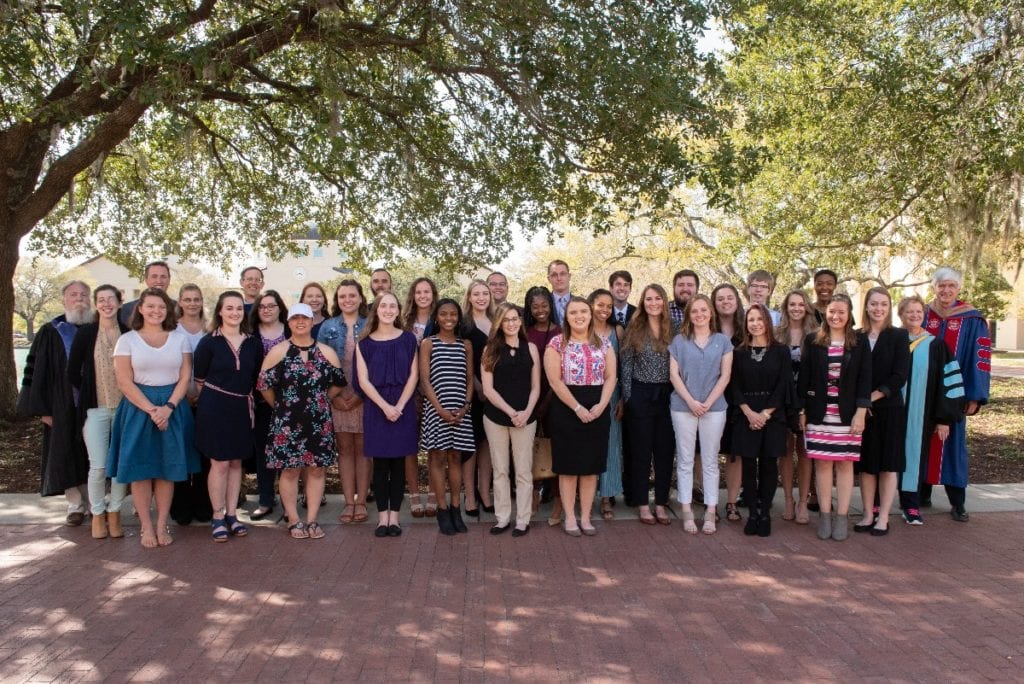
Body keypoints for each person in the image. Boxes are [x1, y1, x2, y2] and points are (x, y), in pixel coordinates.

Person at [107, 288, 200, 548]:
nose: (156, 311)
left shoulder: (178, 339)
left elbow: (185, 377)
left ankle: (162, 525)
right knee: (141, 471)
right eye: (150, 306)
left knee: (166, 470)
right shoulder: (127, 340)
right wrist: (151, 410)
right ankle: (145, 528)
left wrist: (168, 407)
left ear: (168, 310)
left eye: (161, 307)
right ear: (140, 308)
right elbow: (124, 381)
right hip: (139, 408)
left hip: (173, 407)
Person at [257, 303, 345, 539]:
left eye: (304, 318)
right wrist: (280, 405)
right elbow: (264, 385)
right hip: (287, 422)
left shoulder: (326, 352)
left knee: (316, 470)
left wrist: (323, 399)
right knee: (290, 471)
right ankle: (294, 519)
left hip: (319, 421)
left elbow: (338, 381)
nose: (300, 322)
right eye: (295, 318)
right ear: (289, 322)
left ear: (311, 321)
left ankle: (312, 519)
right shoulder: (278, 351)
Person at [799, 293, 871, 542]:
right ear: (825, 314)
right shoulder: (813, 341)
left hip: (848, 415)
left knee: (844, 463)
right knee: (823, 463)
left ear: (849, 314)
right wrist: (802, 411)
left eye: (841, 312)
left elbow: (865, 380)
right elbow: (804, 378)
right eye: (832, 312)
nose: (836, 316)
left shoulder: (859, 342)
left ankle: (842, 517)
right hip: (819, 412)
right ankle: (825, 516)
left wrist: (861, 413)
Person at [18, 280, 91, 525]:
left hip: (93, 404)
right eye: (73, 295)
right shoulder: (51, 331)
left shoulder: (99, 327)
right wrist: (42, 409)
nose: (79, 298)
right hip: (61, 404)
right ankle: (74, 505)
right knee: (63, 452)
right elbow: (36, 371)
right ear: (64, 300)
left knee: (91, 454)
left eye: (83, 294)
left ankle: (93, 503)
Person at [194, 291, 264, 542]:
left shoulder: (253, 343)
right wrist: (215, 402)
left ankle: (233, 515)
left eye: (238, 308)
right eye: (229, 308)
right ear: (220, 311)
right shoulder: (208, 342)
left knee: (236, 463)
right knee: (220, 463)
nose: (235, 312)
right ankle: (217, 515)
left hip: (241, 407)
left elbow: (255, 376)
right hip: (214, 406)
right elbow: (199, 379)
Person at [543, 297, 616, 536]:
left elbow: (610, 378)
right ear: (566, 316)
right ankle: (570, 518)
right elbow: (554, 381)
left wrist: (602, 405)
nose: (579, 316)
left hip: (597, 408)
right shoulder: (556, 343)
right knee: (568, 468)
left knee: (589, 468)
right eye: (573, 312)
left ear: (590, 314)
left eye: (583, 311)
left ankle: (586, 517)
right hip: (567, 408)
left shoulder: (604, 343)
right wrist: (577, 408)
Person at [923, 267, 991, 522]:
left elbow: (980, 358)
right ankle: (921, 493)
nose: (946, 290)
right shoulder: (923, 315)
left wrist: (975, 395)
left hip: (956, 393)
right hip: (925, 392)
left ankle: (957, 502)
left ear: (959, 288)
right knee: (922, 442)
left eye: (951, 286)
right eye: (941, 286)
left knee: (953, 445)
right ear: (934, 288)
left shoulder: (972, 319)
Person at [67, 284, 130, 539]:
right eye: (101, 300)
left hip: (125, 409)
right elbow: (72, 372)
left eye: (111, 299)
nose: (106, 304)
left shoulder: (128, 333)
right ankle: (97, 514)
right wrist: (87, 392)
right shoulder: (86, 334)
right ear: (96, 304)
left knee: (119, 465)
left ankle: (115, 512)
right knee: (99, 465)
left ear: (119, 302)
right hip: (96, 410)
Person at [356, 292, 420, 537]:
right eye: (383, 306)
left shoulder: (408, 340)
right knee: (380, 466)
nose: (388, 309)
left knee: (399, 465)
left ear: (398, 310)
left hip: (403, 407)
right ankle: (382, 519)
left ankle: (395, 518)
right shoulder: (364, 344)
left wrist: (400, 406)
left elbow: (414, 375)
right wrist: (385, 406)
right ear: (376, 310)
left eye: (393, 306)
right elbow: (363, 380)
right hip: (376, 408)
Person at [896, 295, 965, 525]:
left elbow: (949, 383)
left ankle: (910, 505)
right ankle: (878, 503)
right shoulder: (893, 340)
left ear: (923, 315)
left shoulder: (936, 345)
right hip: (891, 412)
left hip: (920, 414)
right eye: (909, 312)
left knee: (915, 458)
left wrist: (944, 418)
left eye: (918, 311)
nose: (914, 315)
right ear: (901, 315)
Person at [669, 294, 732, 535]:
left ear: (711, 313)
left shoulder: (723, 341)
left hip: (714, 409)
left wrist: (706, 402)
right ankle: (686, 511)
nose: (699, 315)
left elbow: (725, 376)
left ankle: (710, 511)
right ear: (689, 315)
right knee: (685, 460)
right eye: (694, 311)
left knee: (710, 461)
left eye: (704, 310)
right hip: (683, 407)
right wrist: (691, 401)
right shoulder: (679, 341)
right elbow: (674, 375)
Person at [481, 301, 543, 536]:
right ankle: (502, 517)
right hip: (497, 417)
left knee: (524, 471)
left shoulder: (531, 348)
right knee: (500, 470)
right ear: (499, 323)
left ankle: (522, 519)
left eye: (515, 318)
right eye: (506, 319)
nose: (511, 323)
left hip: (526, 418)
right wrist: (510, 411)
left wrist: (526, 412)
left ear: (520, 321)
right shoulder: (490, 350)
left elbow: (536, 386)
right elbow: (488, 389)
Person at [854, 287, 910, 537]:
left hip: (888, 409)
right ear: (866, 306)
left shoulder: (898, 336)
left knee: (887, 465)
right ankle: (867, 513)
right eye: (874, 304)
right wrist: (861, 405)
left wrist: (871, 399)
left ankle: (884, 517)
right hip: (861, 412)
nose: (878, 309)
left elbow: (900, 376)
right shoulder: (856, 337)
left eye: (883, 305)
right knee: (867, 464)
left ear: (889, 308)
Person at [731, 304, 791, 537]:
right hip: (745, 415)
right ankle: (752, 514)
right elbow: (734, 386)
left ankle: (764, 512)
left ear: (768, 321)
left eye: (759, 319)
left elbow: (783, 385)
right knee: (748, 466)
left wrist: (765, 414)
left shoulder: (781, 351)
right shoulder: (739, 352)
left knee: (768, 465)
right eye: (750, 319)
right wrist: (748, 412)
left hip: (772, 416)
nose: (755, 323)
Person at [621, 283, 677, 525]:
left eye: (657, 299)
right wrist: (629, 397)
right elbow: (626, 365)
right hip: (640, 394)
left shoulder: (674, 329)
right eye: (648, 299)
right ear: (642, 302)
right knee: (641, 453)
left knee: (664, 452)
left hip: (668, 395)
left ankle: (661, 503)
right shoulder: (634, 328)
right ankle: (643, 504)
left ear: (664, 302)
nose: (653, 303)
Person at [318, 280, 371, 525]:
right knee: (345, 449)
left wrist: (361, 394)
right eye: (342, 296)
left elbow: (376, 363)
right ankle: (348, 502)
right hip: (336, 396)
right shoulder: (327, 326)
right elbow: (319, 366)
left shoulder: (371, 323)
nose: (347, 300)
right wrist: (335, 397)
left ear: (361, 298)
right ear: (336, 300)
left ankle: (362, 501)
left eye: (352, 295)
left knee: (363, 449)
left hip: (366, 395)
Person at [420, 299, 474, 535]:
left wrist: (466, 407)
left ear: (459, 317)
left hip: (460, 410)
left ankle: (455, 508)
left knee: (455, 458)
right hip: (436, 409)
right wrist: (439, 409)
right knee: (437, 458)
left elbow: (470, 379)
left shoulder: (466, 345)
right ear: (436, 318)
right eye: (443, 314)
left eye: (453, 314)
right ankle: (442, 510)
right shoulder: (428, 343)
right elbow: (425, 380)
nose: (449, 318)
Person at [170, 283, 212, 526]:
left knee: (205, 454)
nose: (193, 303)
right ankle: (181, 506)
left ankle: (203, 504)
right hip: (179, 398)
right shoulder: (172, 330)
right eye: (188, 299)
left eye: (197, 299)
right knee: (182, 451)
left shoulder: (209, 330)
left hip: (207, 400)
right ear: (180, 302)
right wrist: (184, 393)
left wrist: (201, 392)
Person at [775, 289, 818, 524]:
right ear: (786, 307)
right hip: (782, 402)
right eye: (792, 304)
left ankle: (803, 501)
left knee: (804, 452)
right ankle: (788, 500)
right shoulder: (776, 334)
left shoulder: (816, 334)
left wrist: (805, 406)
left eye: (801, 304)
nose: (796, 308)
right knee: (784, 451)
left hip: (807, 400)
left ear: (807, 307)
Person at [247, 290, 289, 520]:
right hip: (259, 401)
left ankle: (287, 501)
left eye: (271, 306)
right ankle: (265, 500)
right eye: (262, 306)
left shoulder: (291, 330)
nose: (267, 310)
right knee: (264, 452)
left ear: (279, 307)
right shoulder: (250, 334)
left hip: (289, 402)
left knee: (288, 453)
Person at [402, 276, 439, 517]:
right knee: (410, 445)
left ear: (433, 294)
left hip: (436, 389)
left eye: (427, 291)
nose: (423, 296)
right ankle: (415, 494)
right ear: (413, 296)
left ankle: (435, 494)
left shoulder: (441, 320)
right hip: (408, 391)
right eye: (419, 292)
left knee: (436, 444)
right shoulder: (404, 322)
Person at [524, 285, 562, 519]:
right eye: (535, 306)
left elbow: (560, 372)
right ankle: (533, 495)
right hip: (527, 399)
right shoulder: (523, 331)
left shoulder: (559, 332)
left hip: (554, 399)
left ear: (551, 306)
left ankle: (558, 502)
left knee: (555, 449)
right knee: (530, 449)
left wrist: (546, 402)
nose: (540, 310)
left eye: (544, 305)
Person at [461, 279, 495, 516]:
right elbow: (463, 361)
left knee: (488, 445)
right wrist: (479, 387)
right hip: (471, 392)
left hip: (496, 395)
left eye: (485, 293)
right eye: (476, 294)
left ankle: (485, 492)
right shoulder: (463, 325)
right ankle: (470, 496)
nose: (481, 297)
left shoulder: (498, 322)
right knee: (470, 445)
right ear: (469, 297)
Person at [590, 289, 624, 521]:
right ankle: (586, 495)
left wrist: (622, 397)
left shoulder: (617, 331)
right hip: (587, 395)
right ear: (591, 304)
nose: (604, 310)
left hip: (612, 395)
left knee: (611, 446)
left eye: (609, 306)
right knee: (587, 445)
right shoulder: (582, 329)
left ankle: (606, 497)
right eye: (600, 305)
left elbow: (623, 366)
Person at [712, 282, 745, 521]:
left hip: (740, 401)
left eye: (729, 297)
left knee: (735, 454)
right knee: (709, 452)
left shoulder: (747, 331)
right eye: (720, 298)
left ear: (737, 301)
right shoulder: (707, 330)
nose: (725, 302)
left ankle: (731, 502)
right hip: (711, 399)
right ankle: (708, 501)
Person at [119, 260, 173, 326]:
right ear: (146, 280)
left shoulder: (178, 308)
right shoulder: (127, 309)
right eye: (154, 276)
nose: (159, 281)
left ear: (169, 280)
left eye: (163, 277)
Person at [547, 260, 573, 325]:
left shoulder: (581, 303)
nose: (559, 278)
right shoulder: (543, 304)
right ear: (549, 279)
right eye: (554, 275)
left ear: (569, 276)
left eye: (562, 274)